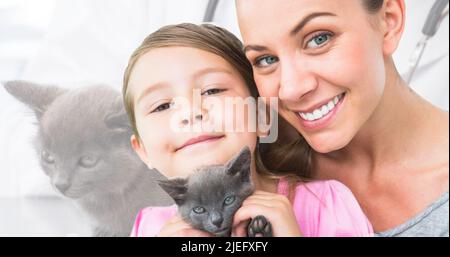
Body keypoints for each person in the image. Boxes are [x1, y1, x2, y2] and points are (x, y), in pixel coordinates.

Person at [122, 23, 373, 237]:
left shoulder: (326, 206)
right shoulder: (149, 228)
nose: (191, 113)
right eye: (162, 105)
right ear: (142, 150)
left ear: (262, 117)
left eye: (212, 91)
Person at [235, 0, 449, 236]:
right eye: (266, 59)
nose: (291, 89)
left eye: (319, 39)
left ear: (388, 20)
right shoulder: (258, 167)